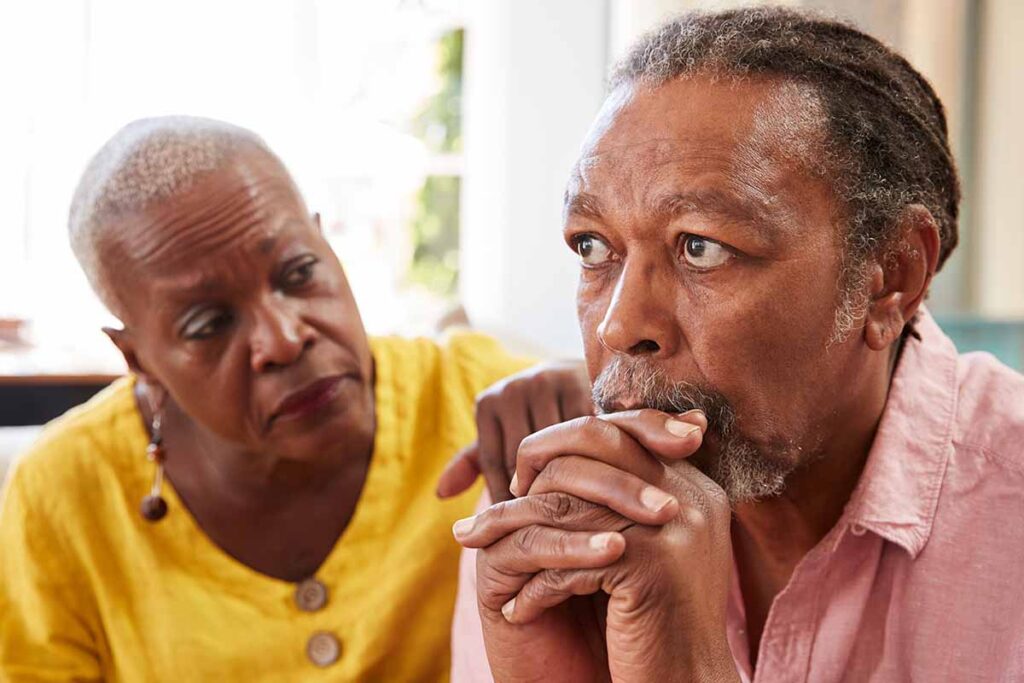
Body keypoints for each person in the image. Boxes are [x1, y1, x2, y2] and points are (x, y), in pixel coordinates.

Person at [450, 8, 1024, 682]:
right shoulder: (552, 523)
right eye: (594, 247)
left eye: (701, 246)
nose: (617, 325)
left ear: (890, 277)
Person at [0, 116, 592, 681]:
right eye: (209, 324)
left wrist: (603, 402)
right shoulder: (63, 491)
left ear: (326, 244)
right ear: (139, 361)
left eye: (298, 273)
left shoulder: (476, 397)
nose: (284, 340)